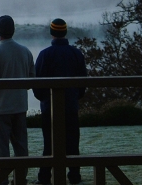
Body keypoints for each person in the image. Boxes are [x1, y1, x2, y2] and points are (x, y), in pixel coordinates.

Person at [32, 18, 87, 185]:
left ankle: (45, 177)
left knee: (49, 144)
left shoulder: (45, 54)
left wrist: (43, 98)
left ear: (52, 33)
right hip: (70, 105)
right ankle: (74, 176)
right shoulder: (76, 54)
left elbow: (38, 83)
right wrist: (75, 96)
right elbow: (82, 82)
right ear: (65, 32)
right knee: (73, 143)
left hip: (49, 107)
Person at [0, 15, 35, 185]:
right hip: (20, 106)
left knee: (2, 150)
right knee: (21, 148)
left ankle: (1, 180)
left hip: (0, 109)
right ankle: (20, 180)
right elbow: (31, 80)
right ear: (13, 30)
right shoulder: (25, 52)